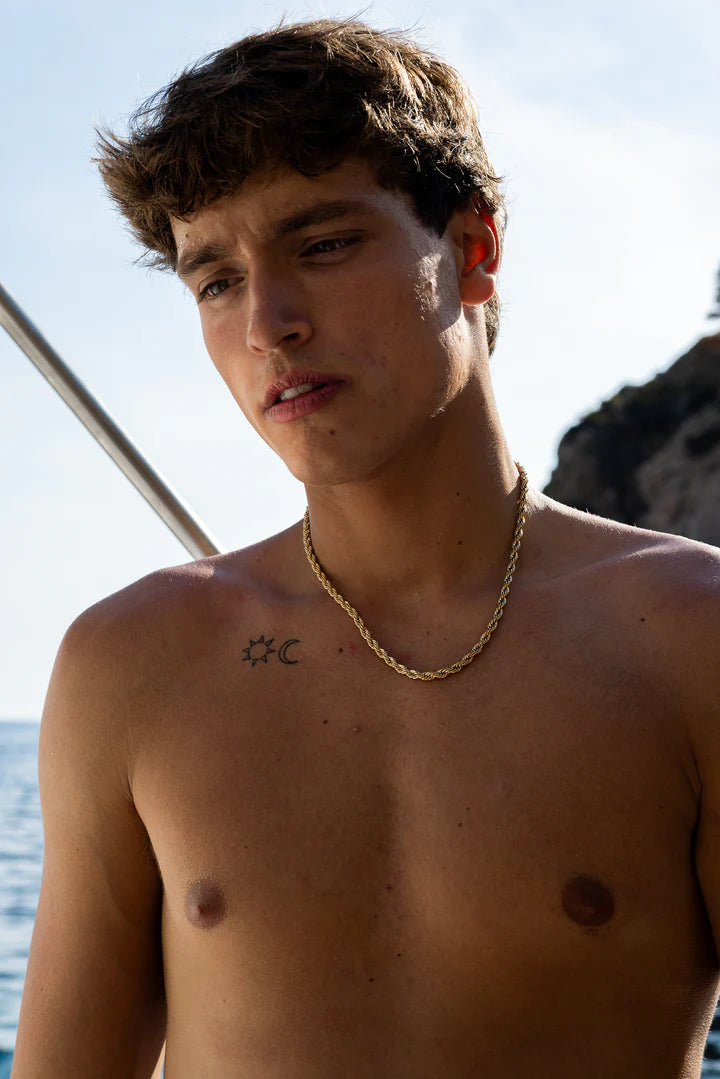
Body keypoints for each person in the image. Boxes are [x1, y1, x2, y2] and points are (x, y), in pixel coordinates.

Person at [11, 18, 720, 1079]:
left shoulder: (685, 635)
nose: (268, 322)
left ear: (472, 253)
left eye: (324, 244)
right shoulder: (133, 661)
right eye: (214, 280)